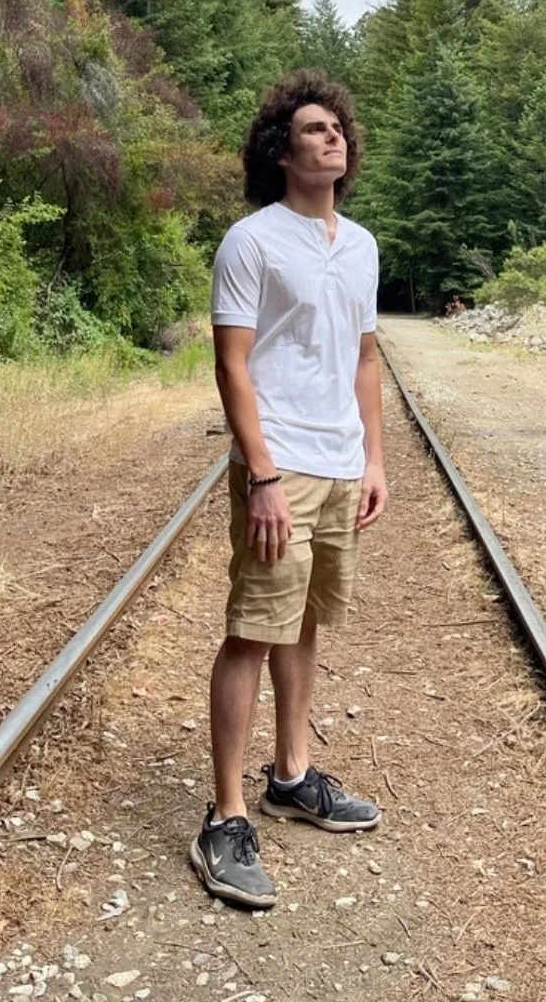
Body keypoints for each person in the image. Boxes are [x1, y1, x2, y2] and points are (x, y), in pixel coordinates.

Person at [189, 70, 389, 908]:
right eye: (313, 128)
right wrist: (261, 474)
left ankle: (292, 774)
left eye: (338, 127)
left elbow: (365, 358)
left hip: (342, 464)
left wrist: (375, 459)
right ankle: (226, 815)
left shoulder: (363, 244)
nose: (332, 136)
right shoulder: (253, 241)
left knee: (303, 621)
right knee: (252, 628)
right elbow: (232, 362)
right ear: (281, 149)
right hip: (280, 467)